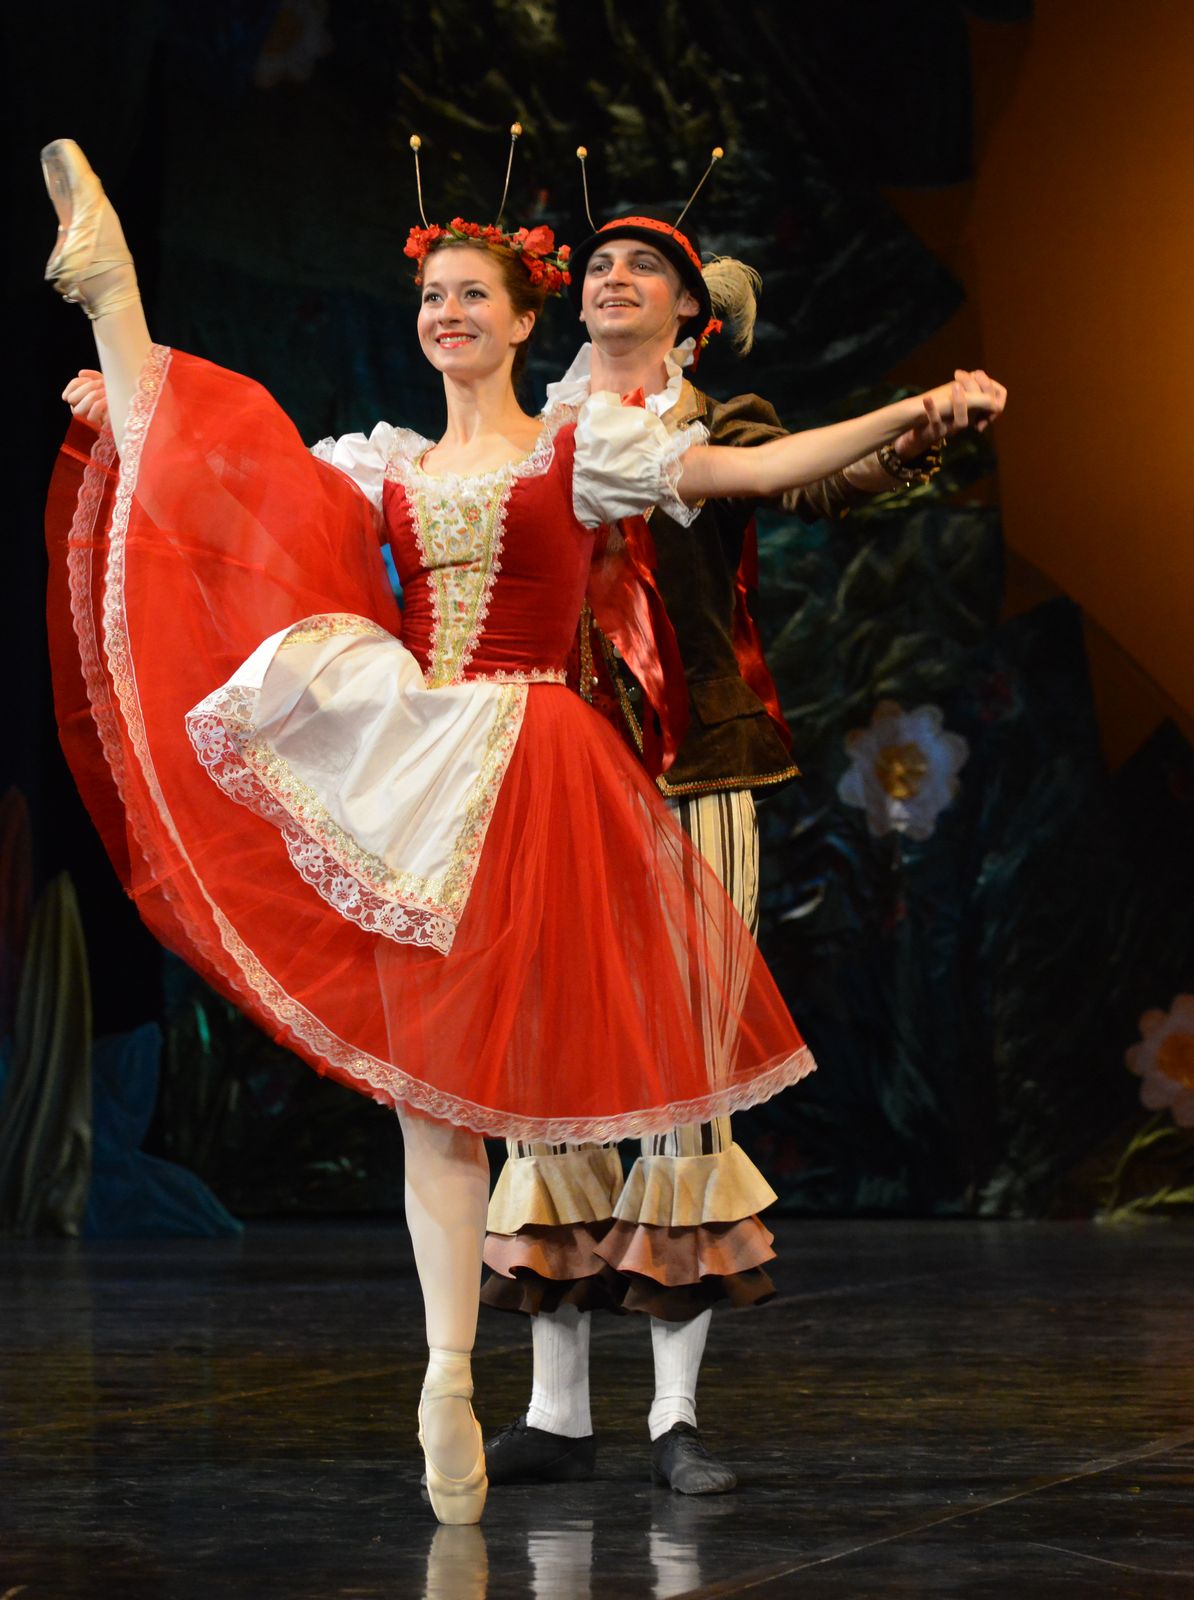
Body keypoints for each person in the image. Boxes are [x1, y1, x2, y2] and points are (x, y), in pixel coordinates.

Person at [43, 139, 998, 1525]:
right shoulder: (379, 463)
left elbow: (761, 471)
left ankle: (658, 1404)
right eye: (431, 295)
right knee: (442, 1108)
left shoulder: (584, 450)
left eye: (472, 296)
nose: (447, 314)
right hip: (425, 767)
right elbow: (216, 478)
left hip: (553, 768)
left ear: (521, 322)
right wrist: (120, 341)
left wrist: (915, 403)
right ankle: (454, 1381)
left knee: (625, 1087)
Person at [480, 215, 1007, 1494]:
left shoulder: (719, 426)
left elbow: (816, 483)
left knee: (684, 1073)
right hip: (549, 776)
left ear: (689, 311)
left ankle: (672, 1418)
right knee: (547, 1080)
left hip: (693, 770)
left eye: (643, 267)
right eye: (597, 266)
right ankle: (555, 1413)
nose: (614, 278)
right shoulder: (525, 433)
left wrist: (917, 429)